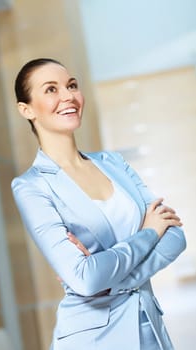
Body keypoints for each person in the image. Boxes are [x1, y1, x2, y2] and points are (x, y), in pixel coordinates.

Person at [11, 58, 186, 350]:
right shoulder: (32, 186)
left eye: (72, 85)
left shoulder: (113, 163)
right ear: (26, 109)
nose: (68, 96)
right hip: (91, 338)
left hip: (151, 330)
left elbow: (175, 237)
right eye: (51, 89)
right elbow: (87, 280)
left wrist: (111, 277)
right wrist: (148, 232)